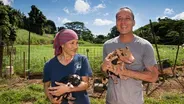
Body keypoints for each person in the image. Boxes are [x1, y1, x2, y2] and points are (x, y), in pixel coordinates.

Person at [101, 7, 159, 104]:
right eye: (119, 18)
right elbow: (105, 73)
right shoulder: (107, 45)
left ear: (133, 22)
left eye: (127, 18)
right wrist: (103, 68)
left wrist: (126, 72)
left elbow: (153, 76)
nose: (123, 22)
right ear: (116, 22)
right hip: (111, 101)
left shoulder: (144, 45)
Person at [43, 29, 92, 104]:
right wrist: (51, 99)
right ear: (62, 44)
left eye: (77, 43)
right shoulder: (49, 65)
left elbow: (86, 84)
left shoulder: (82, 60)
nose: (75, 46)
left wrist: (68, 88)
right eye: (72, 43)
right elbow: (46, 86)